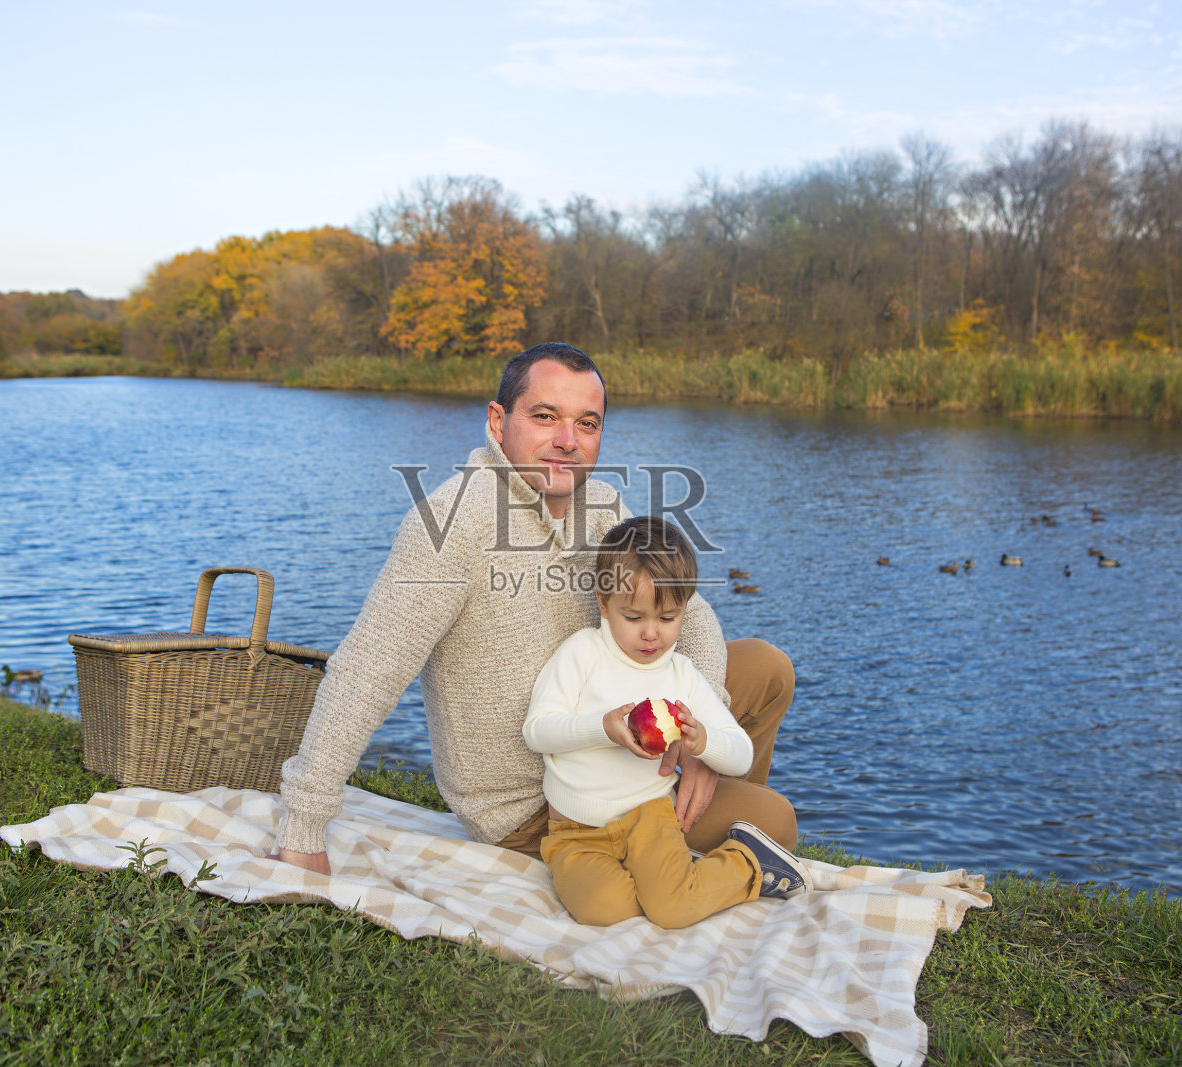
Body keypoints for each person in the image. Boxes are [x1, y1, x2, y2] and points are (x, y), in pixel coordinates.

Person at [274, 341, 796, 874]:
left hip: (615, 731)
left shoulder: (599, 505)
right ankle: (688, 843)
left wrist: (703, 746)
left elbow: (693, 612)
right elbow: (367, 672)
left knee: (767, 667)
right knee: (774, 823)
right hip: (535, 803)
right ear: (498, 422)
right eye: (545, 417)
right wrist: (304, 824)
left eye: (587, 424)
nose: (567, 442)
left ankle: (690, 814)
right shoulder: (453, 525)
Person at [525, 516, 810, 927]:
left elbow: (741, 755)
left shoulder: (681, 676)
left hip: (652, 820)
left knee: (673, 910)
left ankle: (748, 867)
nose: (651, 634)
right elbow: (537, 730)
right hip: (577, 831)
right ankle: (679, 878)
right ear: (604, 604)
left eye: (668, 618)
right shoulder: (582, 654)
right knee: (606, 909)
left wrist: (703, 742)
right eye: (634, 617)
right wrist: (601, 727)